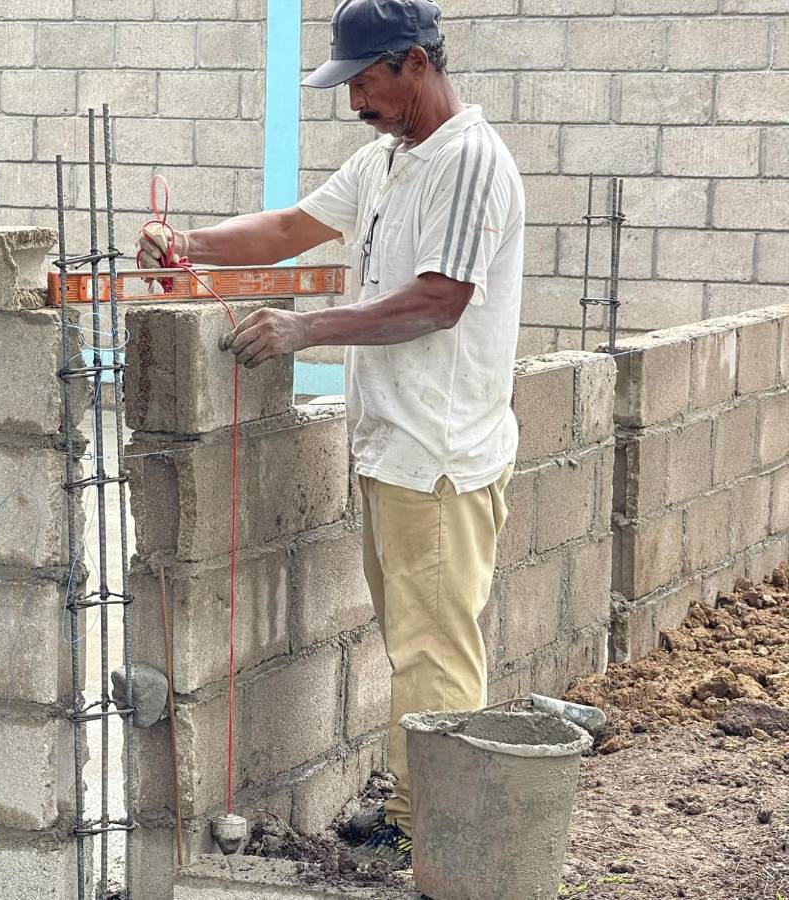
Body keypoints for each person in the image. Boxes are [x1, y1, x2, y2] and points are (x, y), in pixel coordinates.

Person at [137, 0, 524, 870]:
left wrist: (305, 330)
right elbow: (288, 231)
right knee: (414, 647)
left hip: (439, 458)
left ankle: (446, 850)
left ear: (416, 62)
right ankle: (421, 816)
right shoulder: (389, 160)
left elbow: (438, 301)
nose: (354, 99)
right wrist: (188, 244)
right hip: (397, 450)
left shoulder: (466, 163)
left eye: (365, 80)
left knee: (434, 657)